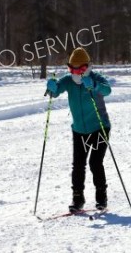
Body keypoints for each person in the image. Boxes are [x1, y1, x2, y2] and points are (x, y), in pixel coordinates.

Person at [45, 47, 112, 212]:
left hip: (99, 128)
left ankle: (101, 198)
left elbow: (107, 90)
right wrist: (51, 88)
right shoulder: (68, 80)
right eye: (72, 69)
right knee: (78, 165)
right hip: (79, 130)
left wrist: (95, 85)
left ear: (87, 67)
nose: (76, 73)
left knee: (95, 163)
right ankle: (77, 198)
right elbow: (55, 92)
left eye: (80, 69)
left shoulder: (95, 78)